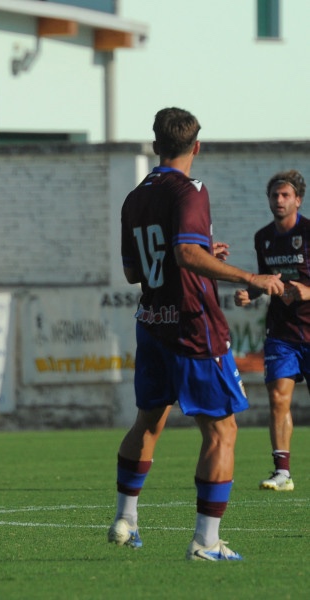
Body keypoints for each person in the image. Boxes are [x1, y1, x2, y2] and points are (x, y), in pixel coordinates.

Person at [109, 107, 285, 561]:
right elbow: (186, 255)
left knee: (149, 421)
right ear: (197, 146)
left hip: (153, 323)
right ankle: (206, 542)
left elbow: (134, 272)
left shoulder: (134, 197)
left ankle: (125, 519)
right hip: (192, 325)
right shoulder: (191, 190)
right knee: (222, 430)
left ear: (156, 145)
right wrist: (250, 276)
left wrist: (203, 251)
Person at [234, 170, 309, 492]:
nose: (279, 200)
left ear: (298, 200)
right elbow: (266, 280)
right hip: (282, 333)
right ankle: (282, 472)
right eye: (274, 195)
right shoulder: (263, 237)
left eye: (285, 195)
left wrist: (308, 292)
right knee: (278, 397)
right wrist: (249, 293)